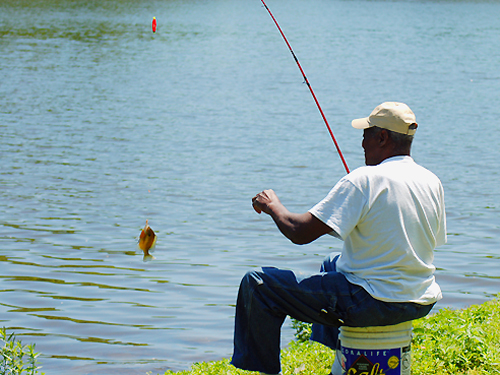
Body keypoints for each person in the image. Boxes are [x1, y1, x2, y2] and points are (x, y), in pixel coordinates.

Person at [230, 102, 447, 375]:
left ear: (382, 137)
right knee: (332, 263)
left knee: (258, 284)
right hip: (419, 300)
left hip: (372, 302)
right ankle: (340, 357)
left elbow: (299, 232)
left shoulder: (365, 179)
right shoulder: (431, 181)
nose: (362, 142)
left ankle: (262, 371)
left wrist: (272, 205)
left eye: (366, 134)